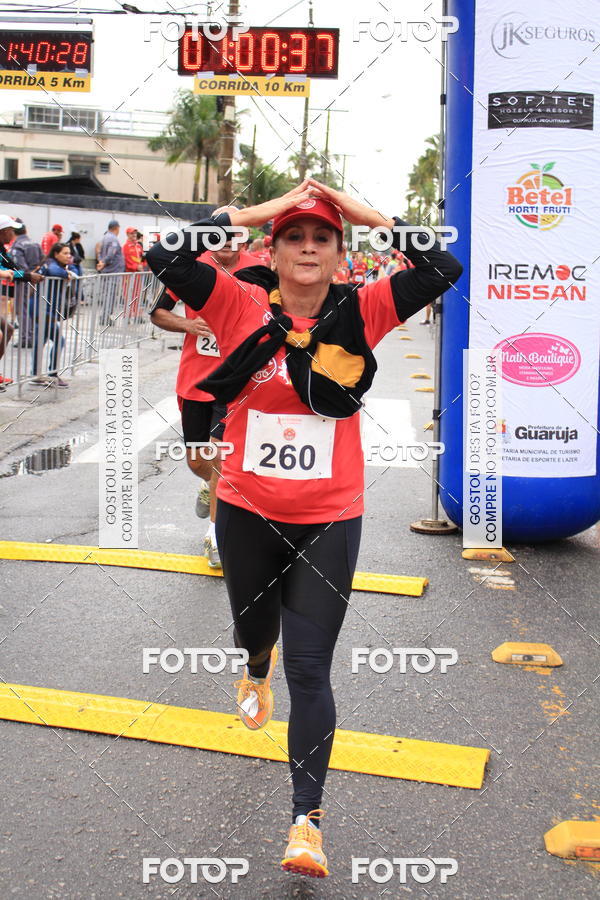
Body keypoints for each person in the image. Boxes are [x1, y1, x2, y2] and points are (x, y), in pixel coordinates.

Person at [146, 180, 462, 878]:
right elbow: (164, 254)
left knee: (312, 669)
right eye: (295, 236)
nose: (309, 247)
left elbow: (442, 268)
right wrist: (254, 211)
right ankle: (254, 667)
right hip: (246, 508)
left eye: (323, 237)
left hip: (329, 518)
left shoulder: (364, 308)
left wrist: (368, 215)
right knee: (256, 635)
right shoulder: (236, 303)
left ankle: (306, 823)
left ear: (340, 251)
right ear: (276, 249)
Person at [150, 233, 259, 567]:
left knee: (221, 460)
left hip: (236, 382)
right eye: (220, 236)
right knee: (199, 462)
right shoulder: (189, 268)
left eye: (235, 236)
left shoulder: (259, 269)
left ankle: (215, 537)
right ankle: (209, 486)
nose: (227, 242)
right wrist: (189, 324)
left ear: (246, 241)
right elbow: (157, 313)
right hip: (196, 381)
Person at [0, 215, 44, 387]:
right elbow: (6, 270)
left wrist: (27, 275)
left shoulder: (2, 249)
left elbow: (12, 268)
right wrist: (25, 275)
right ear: (3, 232)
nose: (14, 233)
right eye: (11, 230)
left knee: (8, 329)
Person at [32, 242, 77, 387]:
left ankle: (36, 374)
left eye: (69, 253)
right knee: (59, 340)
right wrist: (66, 274)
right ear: (56, 254)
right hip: (42, 309)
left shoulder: (59, 265)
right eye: (64, 253)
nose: (68, 256)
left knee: (41, 340)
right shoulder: (51, 264)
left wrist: (68, 272)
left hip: (44, 308)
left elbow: (76, 271)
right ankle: (52, 374)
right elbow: (54, 271)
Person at [10, 221, 44, 347]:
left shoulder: (17, 246)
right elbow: (43, 260)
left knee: (22, 309)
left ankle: (26, 338)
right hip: (37, 280)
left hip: (24, 280)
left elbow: (20, 267)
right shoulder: (35, 244)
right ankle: (32, 336)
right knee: (32, 309)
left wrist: (27, 275)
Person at [97, 220, 125, 325]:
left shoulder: (104, 237)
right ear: (117, 228)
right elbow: (111, 253)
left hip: (107, 271)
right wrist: (104, 262)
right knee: (110, 295)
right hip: (112, 272)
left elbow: (99, 252)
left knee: (107, 295)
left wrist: (101, 261)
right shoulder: (113, 239)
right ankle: (105, 317)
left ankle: (105, 316)